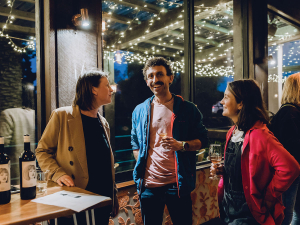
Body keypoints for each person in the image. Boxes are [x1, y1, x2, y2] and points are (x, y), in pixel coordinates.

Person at [36, 70, 119, 225]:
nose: (111, 89)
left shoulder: (104, 123)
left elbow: (106, 164)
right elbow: (42, 151)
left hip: (102, 200)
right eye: (107, 85)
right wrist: (57, 174)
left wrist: (113, 197)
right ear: (93, 89)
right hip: (75, 199)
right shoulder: (62, 116)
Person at [131, 57, 208, 225]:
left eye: (160, 74)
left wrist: (182, 145)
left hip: (177, 185)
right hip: (149, 186)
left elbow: (203, 140)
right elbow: (135, 143)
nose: (155, 79)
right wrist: (143, 164)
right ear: (146, 81)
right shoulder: (139, 110)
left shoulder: (188, 109)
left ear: (170, 78)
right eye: (151, 76)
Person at [212, 79, 300, 225]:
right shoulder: (231, 132)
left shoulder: (260, 135)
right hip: (228, 207)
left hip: (248, 213)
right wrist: (223, 169)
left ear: (241, 104)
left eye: (226, 97)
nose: (221, 102)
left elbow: (291, 168)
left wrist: (270, 195)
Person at [268, 73, 300, 225]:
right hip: (290, 175)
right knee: (288, 215)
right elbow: (292, 148)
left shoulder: (289, 112)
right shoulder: (290, 113)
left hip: (291, 174)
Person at [0, 82, 35, 185]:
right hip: (33, 170)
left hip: (14, 174)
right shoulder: (34, 114)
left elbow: (3, 143)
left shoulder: (8, 114)